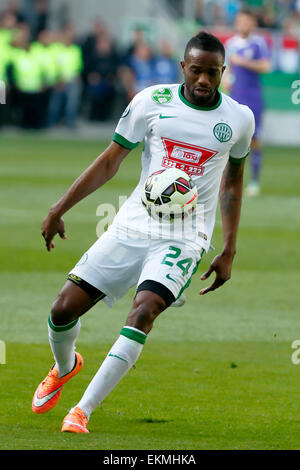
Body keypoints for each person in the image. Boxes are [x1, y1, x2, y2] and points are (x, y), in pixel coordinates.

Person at [32, 31, 254, 434]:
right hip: (133, 224)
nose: (204, 80)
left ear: (223, 72)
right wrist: (59, 207)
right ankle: (66, 367)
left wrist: (229, 249)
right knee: (62, 310)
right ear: (183, 67)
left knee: (144, 309)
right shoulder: (152, 101)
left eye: (213, 72)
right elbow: (110, 161)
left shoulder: (238, 118)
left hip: (185, 237)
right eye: (197, 70)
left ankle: (82, 410)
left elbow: (234, 183)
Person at [224, 9, 271, 196]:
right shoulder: (230, 44)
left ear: (253, 23)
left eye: (246, 21)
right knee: (229, 138)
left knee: (254, 138)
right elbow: (227, 68)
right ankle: (229, 178)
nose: (243, 24)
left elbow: (266, 66)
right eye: (240, 21)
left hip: (253, 97)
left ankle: (254, 181)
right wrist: (226, 79)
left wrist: (242, 61)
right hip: (235, 96)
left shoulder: (259, 43)